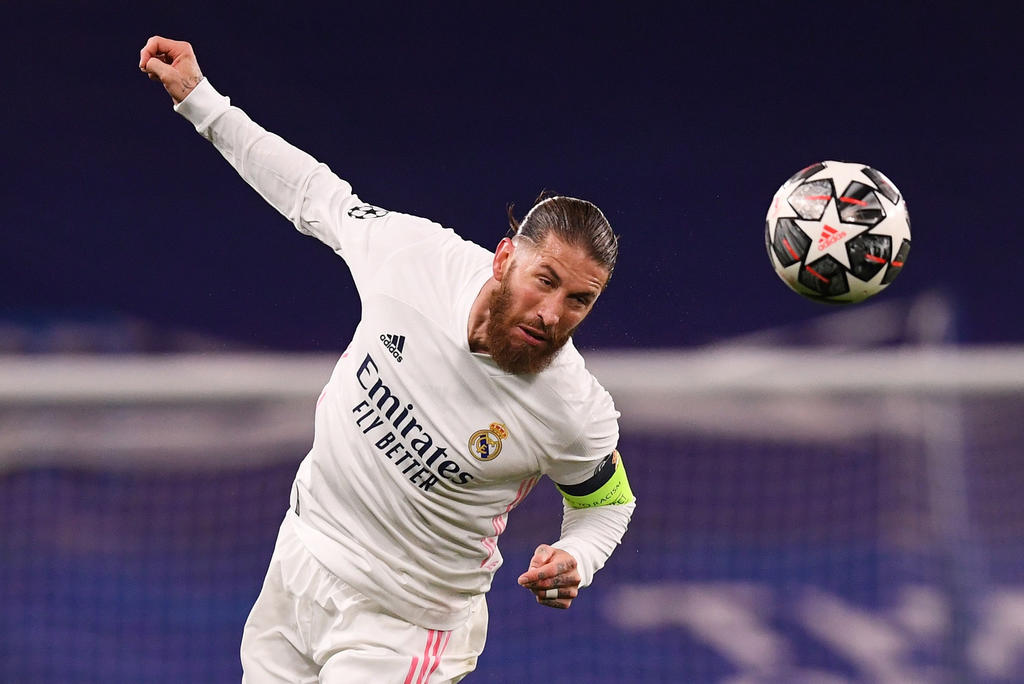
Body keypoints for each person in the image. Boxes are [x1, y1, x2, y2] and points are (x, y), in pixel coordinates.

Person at [140, 35, 636, 683]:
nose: (552, 313)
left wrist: (578, 557)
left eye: (579, 300)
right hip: (299, 560)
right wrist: (202, 101)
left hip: (403, 626)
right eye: (545, 281)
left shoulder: (570, 406)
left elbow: (607, 502)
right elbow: (312, 194)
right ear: (504, 257)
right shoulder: (413, 258)